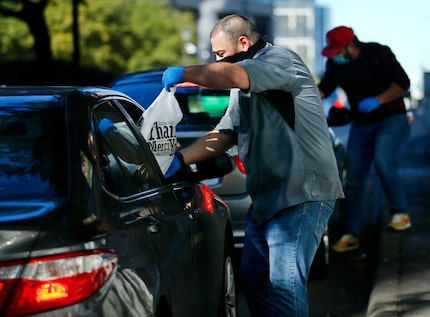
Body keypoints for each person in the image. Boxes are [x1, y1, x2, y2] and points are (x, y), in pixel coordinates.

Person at [162, 14, 344, 317]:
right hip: (267, 198)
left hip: (302, 194)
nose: (217, 60)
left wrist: (187, 72)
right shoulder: (242, 88)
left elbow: (232, 75)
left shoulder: (281, 60)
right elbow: (225, 133)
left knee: (284, 285)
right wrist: (179, 159)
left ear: (243, 43)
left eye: (220, 54)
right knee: (253, 281)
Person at [318, 26, 412, 253]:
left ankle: (400, 213)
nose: (336, 57)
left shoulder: (378, 53)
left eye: (339, 52)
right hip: (361, 123)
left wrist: (377, 100)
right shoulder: (334, 65)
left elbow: (403, 83)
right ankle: (352, 233)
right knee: (354, 178)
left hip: (392, 118)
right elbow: (324, 89)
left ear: (352, 46)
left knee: (382, 160)